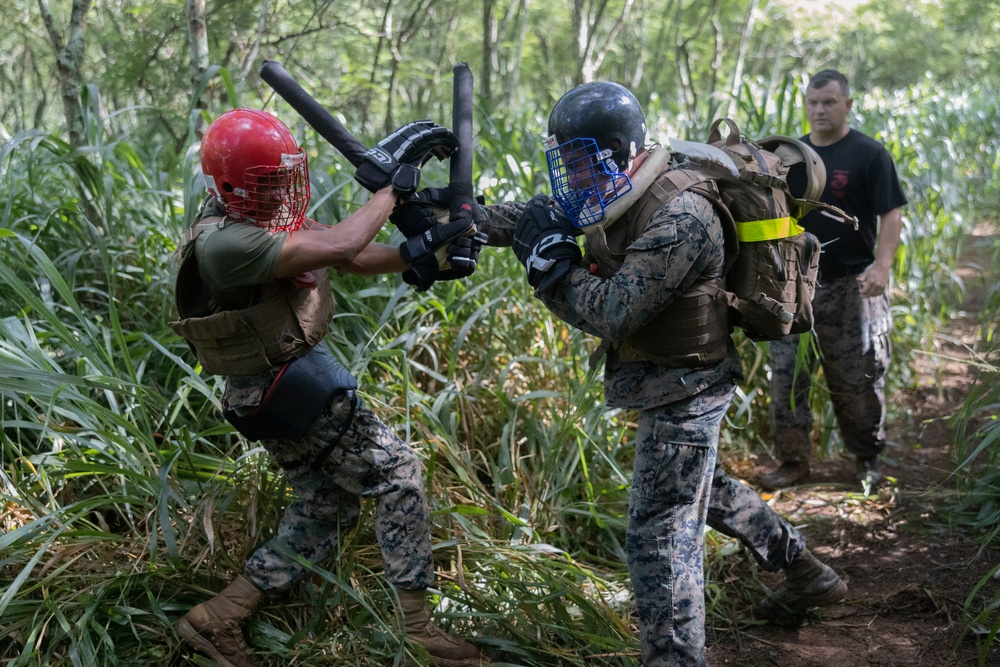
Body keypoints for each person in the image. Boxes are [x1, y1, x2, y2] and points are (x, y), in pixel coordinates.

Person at [473, 81, 848, 666]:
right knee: (706, 489)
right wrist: (468, 220)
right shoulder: (616, 189)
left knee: (661, 534)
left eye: (583, 164)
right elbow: (542, 216)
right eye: (565, 165)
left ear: (622, 152)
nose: (574, 179)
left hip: (690, 383)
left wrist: (550, 268)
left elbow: (614, 312)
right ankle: (805, 570)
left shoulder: (681, 214)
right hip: (665, 381)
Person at [169, 108, 488, 667]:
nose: (281, 194)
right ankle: (418, 628)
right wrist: (391, 188)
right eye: (268, 184)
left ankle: (218, 618)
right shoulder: (227, 243)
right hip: (286, 387)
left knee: (325, 508)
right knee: (398, 473)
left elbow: (345, 254)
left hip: (274, 388)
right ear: (229, 186)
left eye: (285, 180)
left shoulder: (253, 212)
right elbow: (342, 243)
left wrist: (420, 256)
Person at [760, 69, 907, 492]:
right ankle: (793, 463)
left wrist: (881, 266)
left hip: (851, 287)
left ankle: (865, 458)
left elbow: (891, 213)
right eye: (813, 102)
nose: (819, 109)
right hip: (796, 286)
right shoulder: (791, 156)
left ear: (847, 104)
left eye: (828, 102)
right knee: (787, 379)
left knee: (856, 378)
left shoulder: (869, 154)